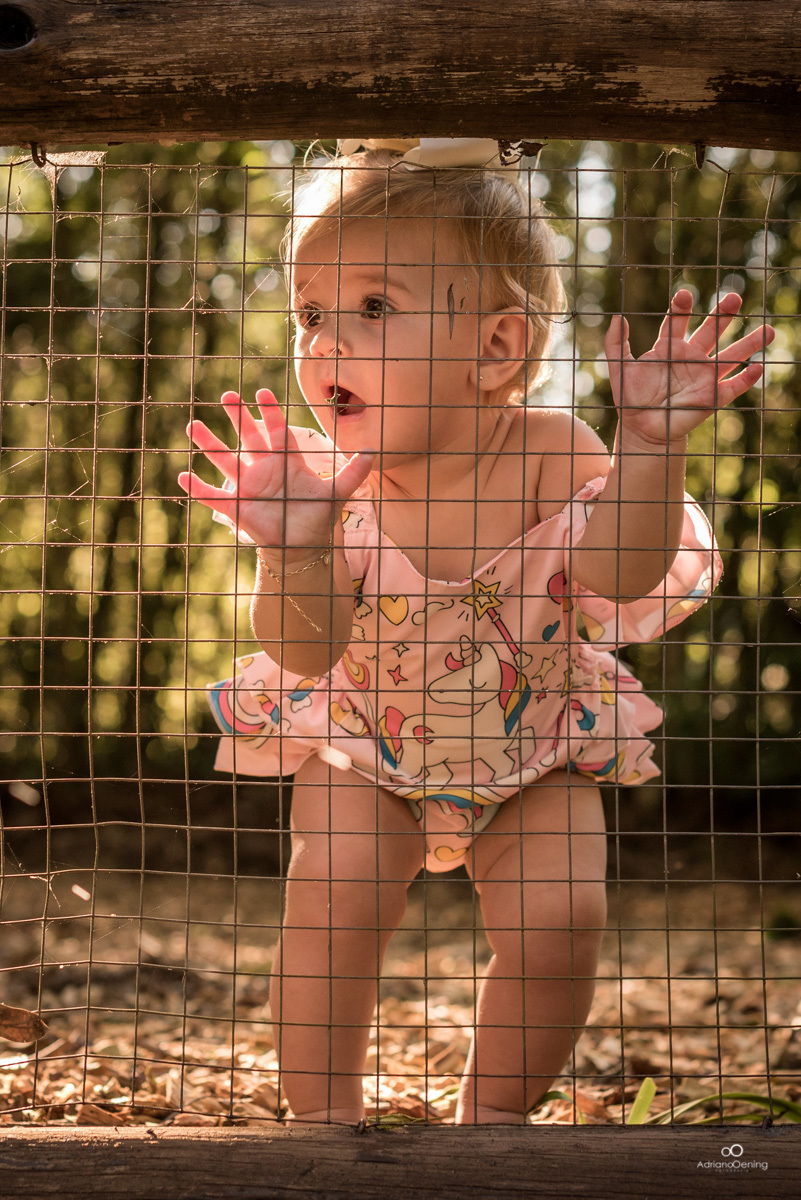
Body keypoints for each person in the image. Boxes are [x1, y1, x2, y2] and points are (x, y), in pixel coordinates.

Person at [177, 138, 774, 1125]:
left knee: (562, 919)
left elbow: (623, 573)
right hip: (365, 741)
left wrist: (649, 450)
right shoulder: (332, 484)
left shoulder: (548, 451)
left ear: (496, 347)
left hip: (533, 747)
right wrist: (294, 549)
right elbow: (304, 652)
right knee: (332, 899)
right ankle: (323, 1129)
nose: (325, 342)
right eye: (312, 314)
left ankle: (490, 1132)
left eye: (373, 308)